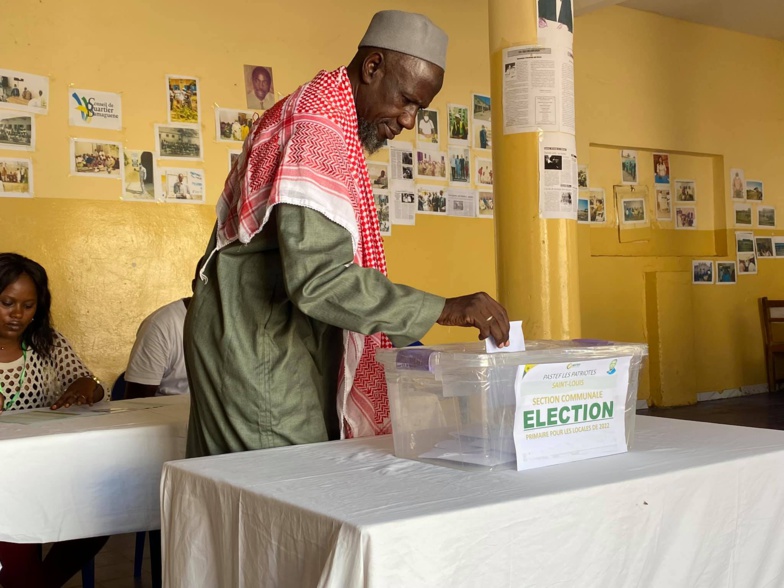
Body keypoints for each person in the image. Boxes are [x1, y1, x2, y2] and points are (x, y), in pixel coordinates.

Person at [184, 10, 511, 459]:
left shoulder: (322, 112)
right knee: (290, 487)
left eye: (419, 109)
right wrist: (443, 308)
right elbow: (319, 279)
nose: (409, 121)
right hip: (255, 346)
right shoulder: (317, 129)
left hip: (266, 334)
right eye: (406, 101)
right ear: (372, 67)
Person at [0, 253, 108, 588]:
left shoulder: (47, 344)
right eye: (7, 303)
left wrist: (87, 386)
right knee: (17, 541)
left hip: (42, 468)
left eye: (28, 305)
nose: (18, 314)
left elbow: (93, 386)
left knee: (98, 517)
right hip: (5, 485)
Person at [124, 275, 197, 398]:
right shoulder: (160, 325)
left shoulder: (231, 323)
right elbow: (137, 401)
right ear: (195, 286)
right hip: (169, 410)